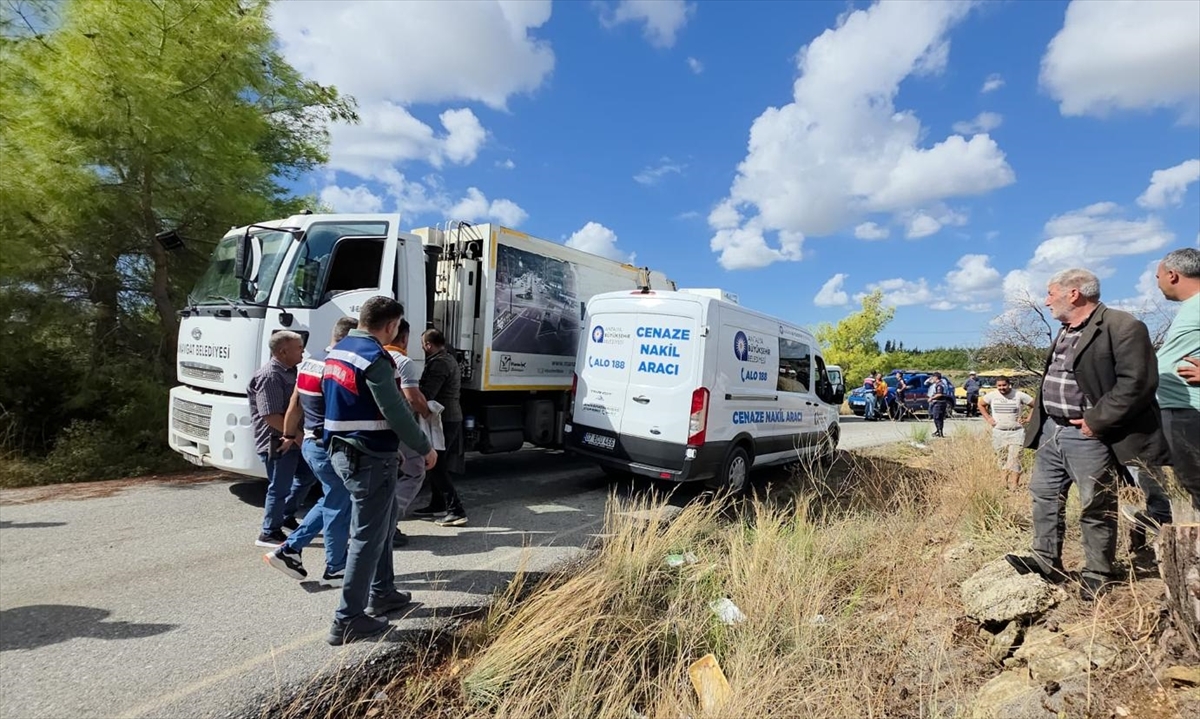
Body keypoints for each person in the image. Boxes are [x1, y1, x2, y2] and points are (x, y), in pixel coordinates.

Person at [1005, 268, 1169, 601]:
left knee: (1096, 502)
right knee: (1044, 495)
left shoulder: (1123, 326)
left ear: (1074, 294)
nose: (1046, 300)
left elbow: (1137, 383)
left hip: (1089, 433)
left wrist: (1097, 420)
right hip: (1052, 429)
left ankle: (1098, 573)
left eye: (1051, 293)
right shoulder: (1066, 329)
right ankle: (1045, 561)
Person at [322, 297, 437, 645]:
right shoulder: (374, 358)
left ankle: (383, 592)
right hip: (368, 456)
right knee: (367, 537)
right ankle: (348, 619)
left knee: (383, 526)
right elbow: (396, 411)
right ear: (390, 326)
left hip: (346, 450)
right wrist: (423, 447)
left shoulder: (338, 351)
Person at [264, 318, 358, 585]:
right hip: (331, 445)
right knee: (338, 503)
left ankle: (291, 550)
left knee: (333, 498)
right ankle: (334, 566)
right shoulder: (340, 366)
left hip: (310, 444)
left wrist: (289, 435)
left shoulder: (310, 363)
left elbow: (295, 405)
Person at [248, 330, 317, 547]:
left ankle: (285, 515)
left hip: (296, 438)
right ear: (283, 351)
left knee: (307, 476)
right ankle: (269, 531)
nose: (303, 351)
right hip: (277, 440)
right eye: (298, 348)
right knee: (279, 486)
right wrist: (295, 436)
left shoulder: (292, 371)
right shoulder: (270, 376)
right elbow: (270, 416)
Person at [412, 329, 469, 527]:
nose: (422, 347)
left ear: (428, 344)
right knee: (438, 462)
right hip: (449, 417)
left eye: (423, 344)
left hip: (443, 418)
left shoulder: (439, 363)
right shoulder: (448, 359)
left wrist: (410, 392)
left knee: (436, 463)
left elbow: (428, 393)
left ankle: (456, 510)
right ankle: (438, 504)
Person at [383, 319, 431, 547]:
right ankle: (389, 523)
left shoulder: (370, 357)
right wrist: (427, 412)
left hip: (369, 429)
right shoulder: (403, 361)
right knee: (415, 471)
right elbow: (412, 398)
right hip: (397, 427)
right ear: (403, 338)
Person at [978, 377, 1034, 489]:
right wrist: (988, 418)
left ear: (1009, 385)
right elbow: (981, 404)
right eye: (999, 386)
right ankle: (1003, 484)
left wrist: (1028, 419)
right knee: (1002, 458)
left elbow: (1034, 404)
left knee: (1015, 458)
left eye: (1004, 385)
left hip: (1016, 432)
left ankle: (1014, 485)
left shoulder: (1019, 395)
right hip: (999, 431)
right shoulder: (992, 395)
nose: (1002, 388)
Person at [926, 372, 952, 437]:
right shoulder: (942, 384)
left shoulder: (939, 385)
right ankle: (939, 431)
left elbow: (939, 394)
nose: (932, 379)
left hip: (939, 403)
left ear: (936, 377)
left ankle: (939, 431)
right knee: (939, 418)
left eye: (933, 377)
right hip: (942, 403)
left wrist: (931, 398)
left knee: (937, 417)